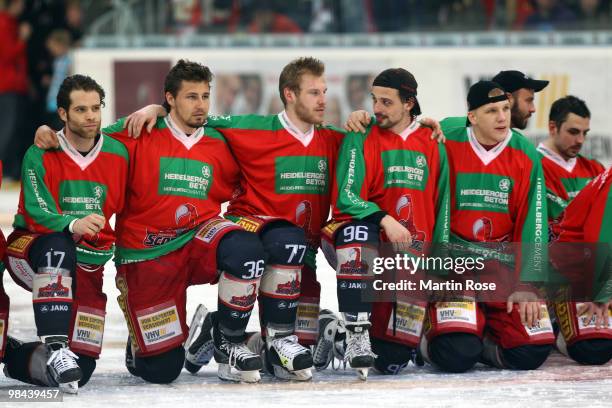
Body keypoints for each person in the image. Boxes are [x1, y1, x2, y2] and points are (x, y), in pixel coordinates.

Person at [34, 60, 267, 384]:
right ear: (170, 99)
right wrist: (47, 132)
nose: (200, 105)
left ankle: (227, 339)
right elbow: (82, 138)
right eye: (190, 97)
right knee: (161, 370)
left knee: (245, 248)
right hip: (147, 257)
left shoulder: (220, 140)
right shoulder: (136, 132)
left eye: (204, 96)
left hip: (200, 237)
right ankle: (164, 339)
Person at [127, 57, 343, 381]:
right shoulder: (248, 127)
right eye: (314, 92)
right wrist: (157, 109)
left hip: (301, 256)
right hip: (253, 227)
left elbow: (377, 141)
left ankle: (214, 331)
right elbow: (193, 119)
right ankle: (228, 341)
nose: (324, 99)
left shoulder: (333, 139)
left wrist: (368, 119)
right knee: (273, 244)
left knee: (296, 360)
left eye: (325, 91)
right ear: (289, 94)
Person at [314, 68, 450, 379]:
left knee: (391, 361)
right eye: (374, 100)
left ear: (409, 103)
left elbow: (442, 208)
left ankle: (334, 332)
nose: (377, 109)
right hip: (360, 245)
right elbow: (346, 197)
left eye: (386, 102)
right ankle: (354, 331)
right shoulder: (360, 134)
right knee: (359, 237)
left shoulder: (433, 140)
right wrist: (385, 219)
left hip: (409, 261)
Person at [2, 75, 128, 394]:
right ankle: (56, 346)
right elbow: (36, 209)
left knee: (79, 372)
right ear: (62, 114)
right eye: (81, 109)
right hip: (30, 248)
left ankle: (12, 354)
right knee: (59, 244)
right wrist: (73, 224)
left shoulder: (119, 153)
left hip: (88, 263)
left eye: (96, 108)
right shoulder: (40, 152)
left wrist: (155, 107)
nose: (91, 116)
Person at [420, 81, 554, 373]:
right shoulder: (447, 137)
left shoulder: (525, 154)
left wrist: (527, 284)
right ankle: (431, 337)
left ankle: (486, 342)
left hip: (500, 265)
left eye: (505, 109)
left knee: (532, 348)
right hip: (455, 263)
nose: (503, 117)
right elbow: (405, 133)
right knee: (455, 353)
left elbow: (534, 220)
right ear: (472, 117)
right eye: (492, 110)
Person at [347, 69, 549, 135]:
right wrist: (360, 116)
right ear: (509, 98)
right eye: (529, 100)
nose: (532, 109)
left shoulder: (524, 150)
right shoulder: (449, 130)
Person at [550, 168, 612, 365]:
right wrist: (601, 295)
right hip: (572, 271)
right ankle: (555, 324)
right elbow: (600, 238)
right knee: (594, 348)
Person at [536, 95, 605, 230]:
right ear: (552, 128)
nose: (580, 140)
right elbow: (566, 221)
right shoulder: (533, 166)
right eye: (573, 132)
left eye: (584, 133)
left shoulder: (595, 168)